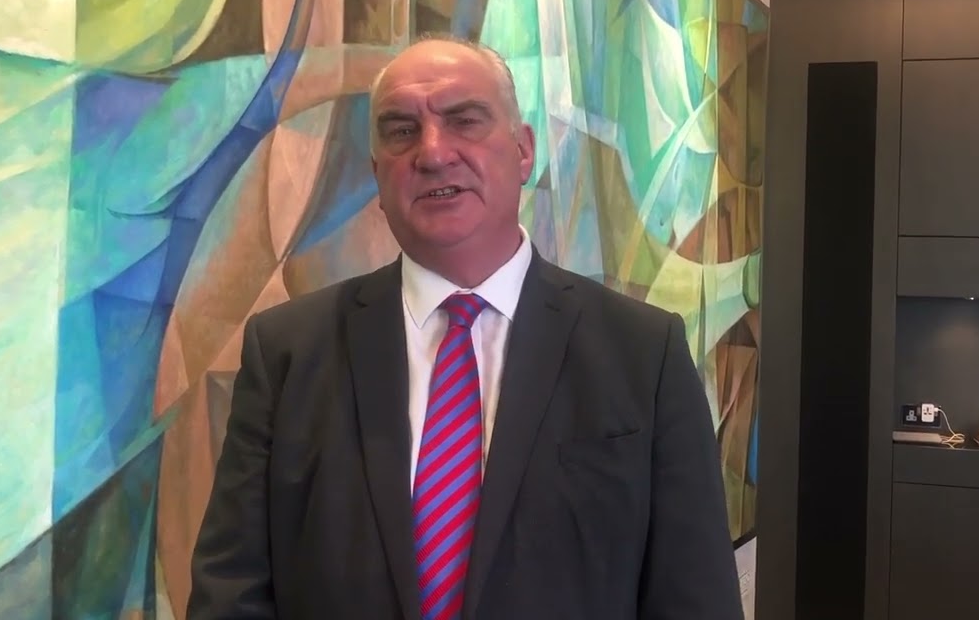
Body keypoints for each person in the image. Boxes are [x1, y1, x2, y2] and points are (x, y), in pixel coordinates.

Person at [187, 36, 743, 620]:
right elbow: (231, 591)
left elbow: (695, 599)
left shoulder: (643, 354)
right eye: (402, 131)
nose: (432, 152)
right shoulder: (287, 352)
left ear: (523, 151)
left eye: (464, 120)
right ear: (378, 176)